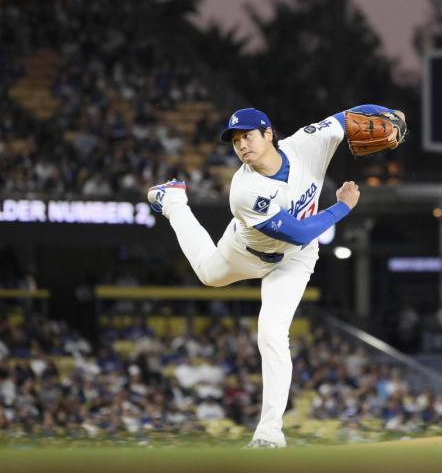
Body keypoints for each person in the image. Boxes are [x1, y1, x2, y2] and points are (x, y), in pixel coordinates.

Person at [147, 104, 405, 448]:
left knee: (271, 333)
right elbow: (296, 231)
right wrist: (341, 206)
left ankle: (269, 435)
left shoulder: (307, 145)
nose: (241, 145)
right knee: (208, 273)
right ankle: (174, 201)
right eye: (235, 140)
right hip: (245, 252)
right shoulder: (244, 190)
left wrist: (391, 113)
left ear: (269, 133)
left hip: (293, 260)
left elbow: (347, 117)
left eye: (248, 136)